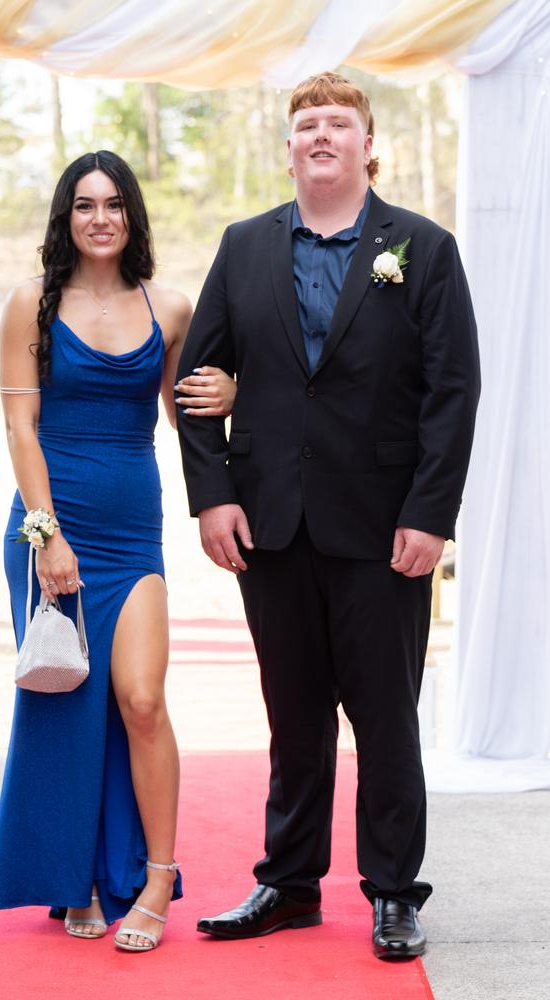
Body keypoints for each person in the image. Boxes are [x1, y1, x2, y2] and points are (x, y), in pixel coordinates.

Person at [175, 72, 480, 959]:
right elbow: (199, 390)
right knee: (292, 715)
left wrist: (432, 514)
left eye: (338, 123)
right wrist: (215, 495)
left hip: (385, 529)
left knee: (386, 717)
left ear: (367, 144)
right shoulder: (243, 248)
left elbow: (452, 394)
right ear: (287, 146)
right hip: (270, 526)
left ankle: (392, 892)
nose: (321, 135)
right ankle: (288, 883)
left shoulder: (422, 249)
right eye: (306, 123)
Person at [0, 150, 236, 953]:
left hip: (133, 534)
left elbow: (181, 414)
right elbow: (21, 428)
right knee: (63, 704)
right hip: (48, 526)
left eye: (114, 204)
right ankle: (77, 880)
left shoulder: (170, 306)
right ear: (65, 218)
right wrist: (45, 533)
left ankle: (157, 875)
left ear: (133, 216)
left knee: (141, 700)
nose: (100, 218)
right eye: (84, 205)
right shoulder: (31, 302)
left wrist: (233, 394)